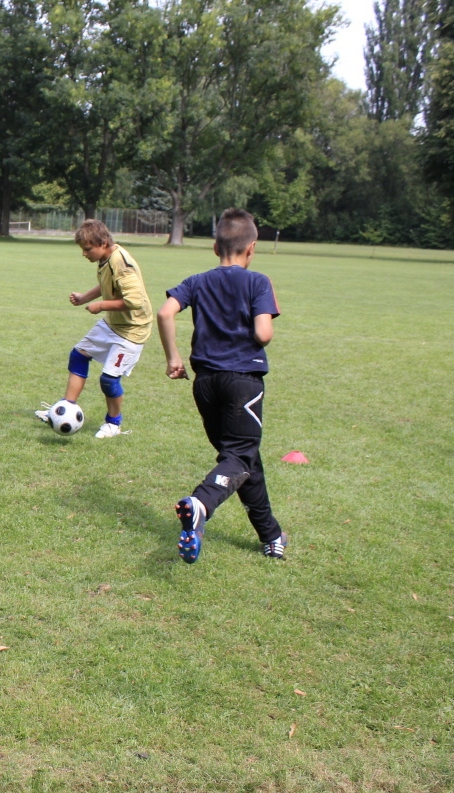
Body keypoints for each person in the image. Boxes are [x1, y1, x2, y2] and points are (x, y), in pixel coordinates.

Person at [157, 207, 288, 564]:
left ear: (216, 247)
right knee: (239, 457)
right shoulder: (257, 281)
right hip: (243, 383)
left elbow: (165, 312)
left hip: (205, 385)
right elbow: (263, 333)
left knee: (242, 460)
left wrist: (173, 358)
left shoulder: (198, 280)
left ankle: (271, 535)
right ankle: (201, 503)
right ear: (252, 248)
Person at [36, 219, 153, 439]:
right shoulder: (106, 259)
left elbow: (134, 301)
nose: (84, 254)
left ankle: (114, 424)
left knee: (109, 379)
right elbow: (107, 285)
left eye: (87, 249)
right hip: (114, 323)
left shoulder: (122, 264)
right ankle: (64, 408)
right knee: (78, 355)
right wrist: (84, 298)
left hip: (132, 330)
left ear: (104, 242)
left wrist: (100, 306)